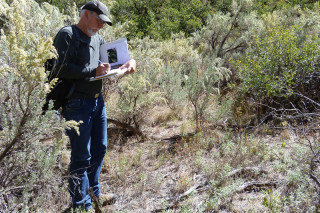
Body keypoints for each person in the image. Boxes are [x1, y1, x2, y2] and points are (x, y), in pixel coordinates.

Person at [52, 1, 136, 211]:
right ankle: (80, 205)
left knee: (100, 149)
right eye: (99, 21)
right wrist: (92, 71)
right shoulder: (67, 34)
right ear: (87, 15)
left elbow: (110, 62)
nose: (100, 26)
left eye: (103, 23)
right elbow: (58, 67)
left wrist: (128, 63)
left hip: (97, 101)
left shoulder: (97, 39)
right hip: (76, 103)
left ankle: (94, 194)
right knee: (81, 156)